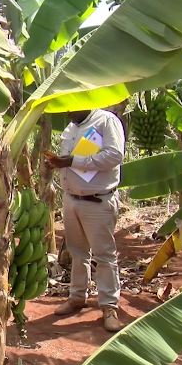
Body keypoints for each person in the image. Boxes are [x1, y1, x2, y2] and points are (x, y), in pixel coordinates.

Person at [45, 109, 126, 332]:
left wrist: (72, 160)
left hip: (97, 200)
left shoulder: (106, 121)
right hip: (72, 199)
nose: (68, 112)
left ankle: (109, 307)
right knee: (77, 252)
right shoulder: (71, 129)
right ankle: (77, 296)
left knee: (104, 255)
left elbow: (114, 155)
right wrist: (58, 164)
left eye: (72, 108)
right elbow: (69, 164)